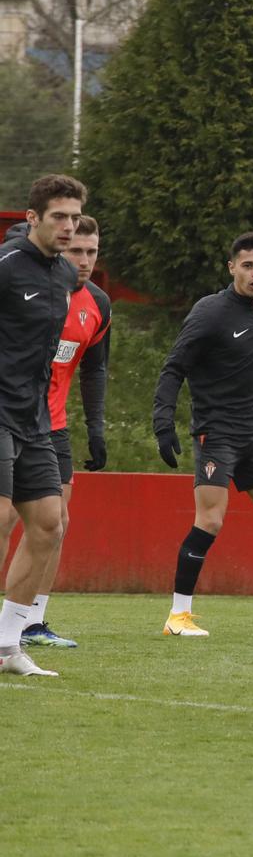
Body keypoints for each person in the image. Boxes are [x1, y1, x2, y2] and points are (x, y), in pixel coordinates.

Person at [151, 233, 253, 638]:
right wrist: (163, 423)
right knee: (211, 521)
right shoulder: (210, 312)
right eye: (248, 265)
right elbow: (173, 368)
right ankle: (178, 617)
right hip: (218, 433)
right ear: (231, 267)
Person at [0, 214, 111, 650]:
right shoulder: (22, 279)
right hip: (8, 414)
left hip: (51, 425)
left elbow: (94, 369)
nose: (83, 260)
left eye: (92, 252)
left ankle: (27, 625)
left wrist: (96, 429)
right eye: (75, 251)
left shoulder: (96, 302)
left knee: (53, 523)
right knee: (6, 518)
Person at [0, 175, 85, 680]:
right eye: (59, 217)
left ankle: (9, 644)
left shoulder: (64, 277)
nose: (68, 227)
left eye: (74, 218)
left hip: (33, 417)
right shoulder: (7, 268)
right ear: (32, 218)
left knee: (51, 525)